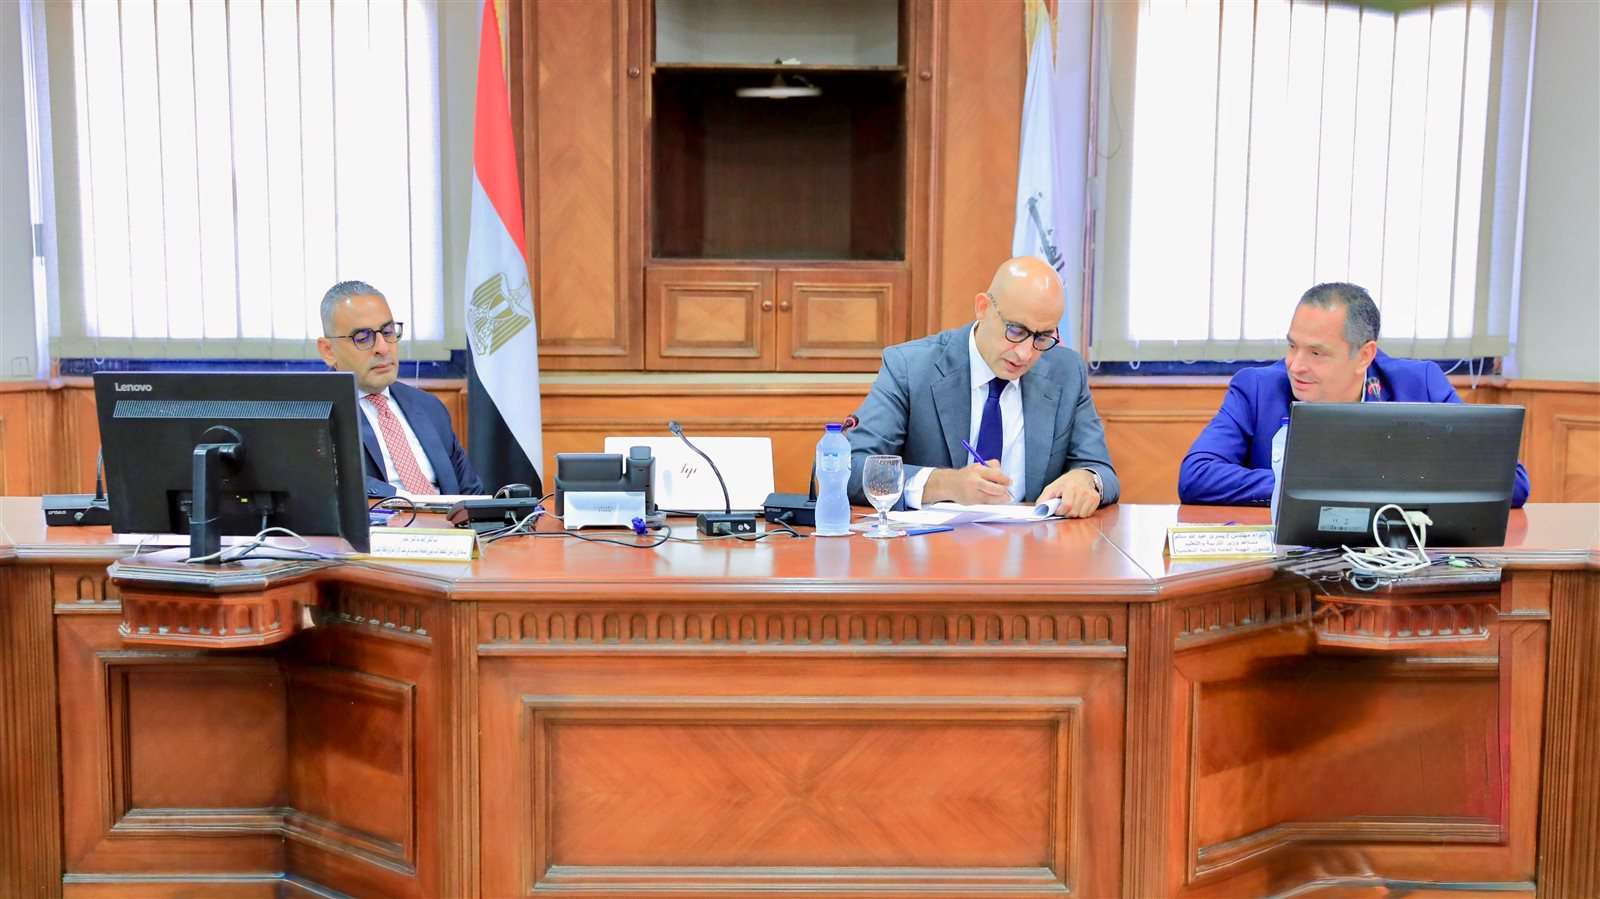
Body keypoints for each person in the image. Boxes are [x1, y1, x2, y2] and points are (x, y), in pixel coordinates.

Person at [1179, 282, 1531, 506]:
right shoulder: (1258, 389)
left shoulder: (1419, 385)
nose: (1296, 366)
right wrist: (1306, 485)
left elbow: (1511, 481)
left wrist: (1379, 486)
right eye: (1292, 346)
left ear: (1364, 355)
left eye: (1316, 353)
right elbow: (1197, 476)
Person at [846, 256, 1119, 518]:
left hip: (1033, 544)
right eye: (1016, 331)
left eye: (1043, 337)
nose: (1025, 353)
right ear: (983, 308)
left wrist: (1086, 479)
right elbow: (851, 467)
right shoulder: (911, 368)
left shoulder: (1066, 372)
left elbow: (1101, 470)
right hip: (935, 545)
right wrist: (945, 484)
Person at [316, 280, 485, 497]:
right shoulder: (315, 415)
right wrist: (408, 500)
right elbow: (330, 484)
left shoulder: (428, 407)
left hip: (450, 519)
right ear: (328, 350)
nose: (383, 348)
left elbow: (472, 494)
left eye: (387, 332)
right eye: (363, 338)